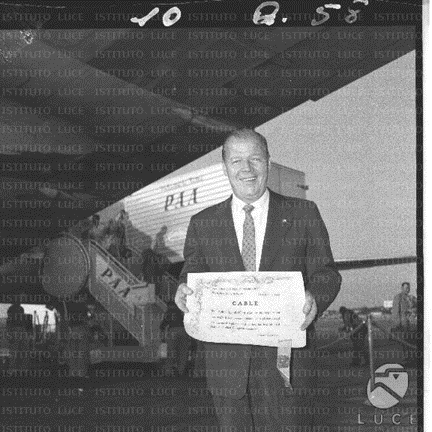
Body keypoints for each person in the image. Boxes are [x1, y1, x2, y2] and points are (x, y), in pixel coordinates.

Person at [175, 128, 342, 430]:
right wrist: (183, 289)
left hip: (286, 365)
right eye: (237, 161)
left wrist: (315, 296)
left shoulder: (303, 213)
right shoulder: (202, 223)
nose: (247, 169)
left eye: (255, 159)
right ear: (225, 166)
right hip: (228, 372)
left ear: (268, 162)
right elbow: (192, 273)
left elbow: (327, 273)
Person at [159, 300, 191, 376]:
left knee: (171, 352)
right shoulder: (183, 310)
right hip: (184, 331)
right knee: (183, 352)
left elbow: (163, 325)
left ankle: (168, 371)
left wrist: (163, 337)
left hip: (173, 331)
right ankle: (181, 371)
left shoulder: (169, 312)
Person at [392, 282, 415, 362]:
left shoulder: (411, 298)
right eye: (406, 288)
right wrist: (397, 325)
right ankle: (406, 359)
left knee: (411, 341)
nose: (407, 290)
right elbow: (395, 312)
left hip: (412, 324)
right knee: (404, 342)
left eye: (408, 288)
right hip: (403, 324)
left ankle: (411, 358)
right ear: (402, 288)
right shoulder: (398, 297)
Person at [6, 303, 30, 371]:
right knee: (15, 351)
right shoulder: (13, 308)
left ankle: (21, 369)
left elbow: (9, 321)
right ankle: (15, 369)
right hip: (16, 330)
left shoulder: (20, 308)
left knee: (22, 350)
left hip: (19, 330)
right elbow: (9, 321)